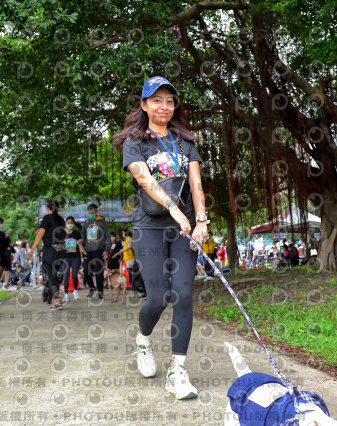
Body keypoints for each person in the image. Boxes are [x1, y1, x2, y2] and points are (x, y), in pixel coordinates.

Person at [113, 75, 208, 399]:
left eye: (169, 100)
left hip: (184, 228)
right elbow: (145, 181)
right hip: (150, 225)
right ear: (144, 105)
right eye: (156, 100)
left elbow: (196, 183)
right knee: (158, 297)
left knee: (182, 293)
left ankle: (178, 371)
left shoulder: (185, 141)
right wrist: (173, 208)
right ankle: (143, 340)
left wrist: (201, 220)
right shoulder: (135, 142)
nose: (164, 106)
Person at [28, 200, 66, 310]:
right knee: (55, 277)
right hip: (61, 250)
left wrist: (32, 250)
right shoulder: (61, 220)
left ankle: (56, 302)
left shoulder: (47, 218)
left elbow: (39, 236)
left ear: (48, 208)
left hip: (50, 250)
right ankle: (55, 298)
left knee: (52, 277)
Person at [81, 204, 111, 300]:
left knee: (99, 272)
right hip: (87, 251)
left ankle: (100, 292)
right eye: (89, 213)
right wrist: (80, 244)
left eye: (92, 213)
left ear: (96, 212)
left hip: (99, 250)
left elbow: (108, 238)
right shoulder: (86, 223)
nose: (91, 214)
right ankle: (92, 288)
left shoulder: (102, 222)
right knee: (86, 270)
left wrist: (106, 250)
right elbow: (83, 237)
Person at [61, 216, 84, 301]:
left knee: (74, 275)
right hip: (65, 257)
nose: (69, 224)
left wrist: (80, 243)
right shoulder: (62, 233)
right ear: (65, 223)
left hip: (75, 257)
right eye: (68, 222)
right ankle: (66, 294)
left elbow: (81, 243)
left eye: (71, 222)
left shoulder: (76, 233)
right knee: (66, 275)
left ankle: (75, 290)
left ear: (73, 224)